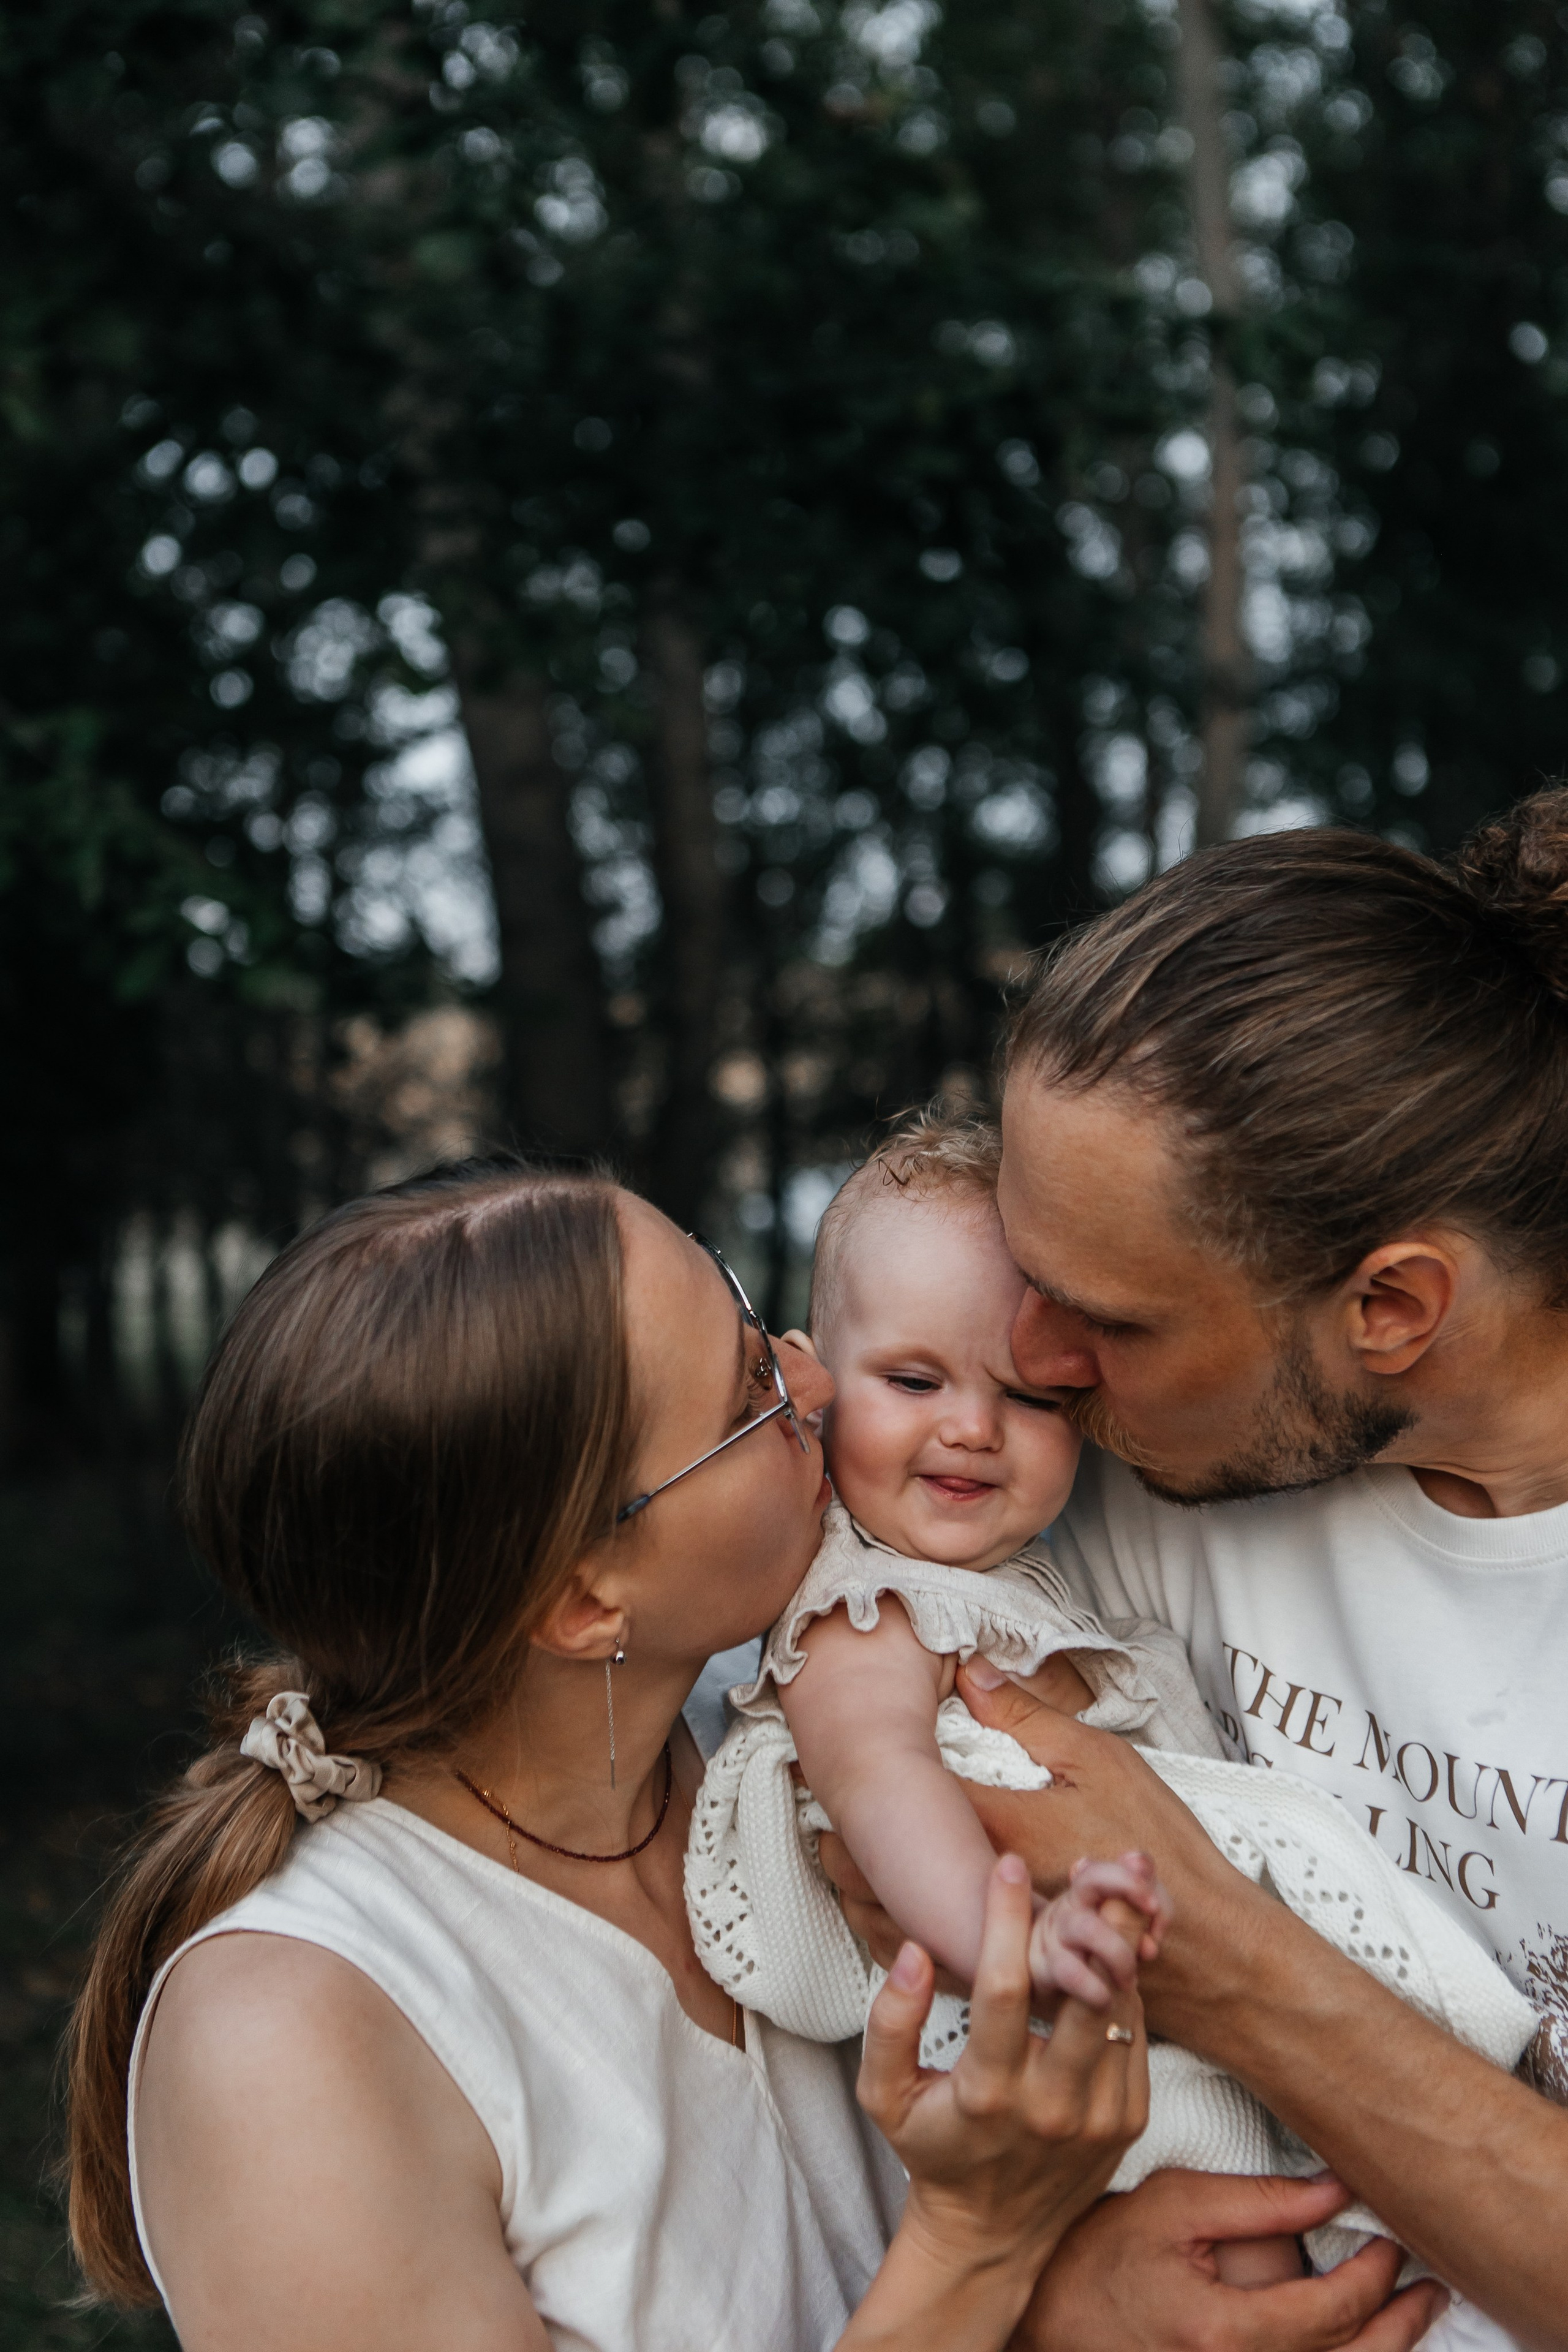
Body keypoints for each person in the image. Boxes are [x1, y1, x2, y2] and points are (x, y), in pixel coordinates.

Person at [66, 1160, 1153, 2352]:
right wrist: (976, 2248)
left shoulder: (789, 1771)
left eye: (750, 1309)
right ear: (583, 1601)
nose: (813, 1376)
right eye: (748, 1397)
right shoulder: (295, 2041)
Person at [822, 791, 1568, 2352]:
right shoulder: (1089, 1488)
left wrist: (1231, 1966)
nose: (1026, 1362)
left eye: (1113, 1315)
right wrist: (1049, 2294)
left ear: (1390, 1309)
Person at [687, 1114, 1532, 2293]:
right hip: (1036, 2008)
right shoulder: (862, 1609)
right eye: (914, 1379)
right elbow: (882, 1783)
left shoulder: (1011, 1572)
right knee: (1247, 2245)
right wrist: (1013, 1950)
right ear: (819, 1382)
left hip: (1145, 1982)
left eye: (1029, 1399)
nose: (972, 1428)